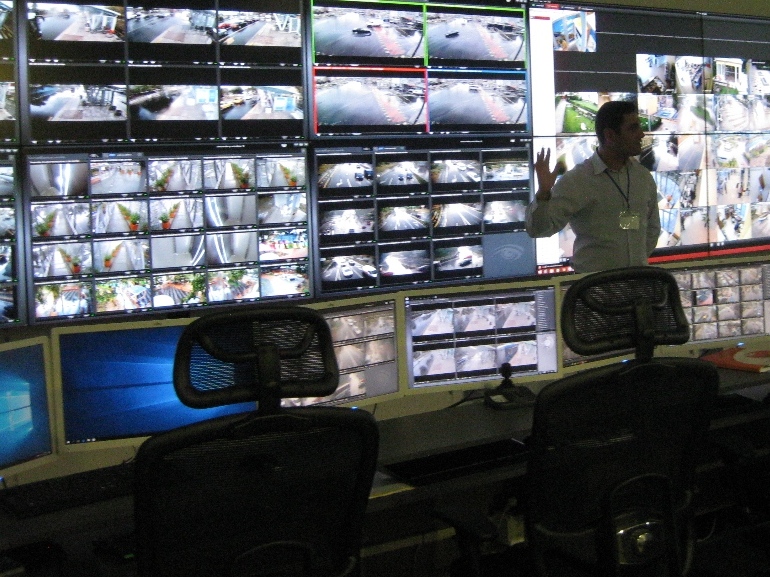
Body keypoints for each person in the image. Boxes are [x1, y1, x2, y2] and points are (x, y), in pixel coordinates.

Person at [525, 100, 661, 273]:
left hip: (636, 282)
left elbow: (652, 230)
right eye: (633, 128)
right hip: (593, 286)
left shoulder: (642, 177)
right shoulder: (578, 180)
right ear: (610, 135)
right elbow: (537, 230)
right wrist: (544, 193)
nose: (641, 134)